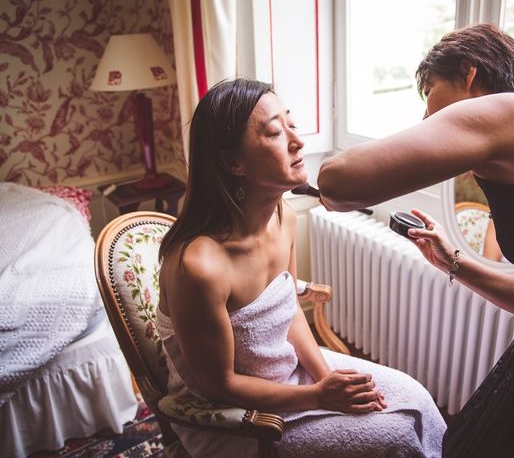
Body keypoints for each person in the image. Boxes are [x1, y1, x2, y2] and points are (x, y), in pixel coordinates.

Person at [318, 23, 514, 457]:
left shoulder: (511, 111)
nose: (427, 118)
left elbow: (338, 182)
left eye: (430, 92)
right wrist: (453, 262)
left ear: (468, 75)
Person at [156, 78, 446, 458]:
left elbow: (289, 310)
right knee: (395, 435)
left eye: (291, 124)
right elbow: (220, 386)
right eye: (276, 132)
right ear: (233, 163)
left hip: (292, 374)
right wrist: (317, 396)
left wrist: (326, 377)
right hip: (239, 418)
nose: (298, 141)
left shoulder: (285, 218)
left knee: (416, 399)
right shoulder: (198, 267)